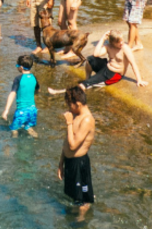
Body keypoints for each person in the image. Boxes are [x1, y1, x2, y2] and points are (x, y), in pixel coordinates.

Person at [49, 30, 147, 93]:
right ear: (112, 42)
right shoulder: (108, 46)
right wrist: (102, 38)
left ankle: (60, 91)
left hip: (114, 74)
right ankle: (88, 78)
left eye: (121, 40)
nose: (121, 43)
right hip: (107, 67)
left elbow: (133, 64)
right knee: (90, 59)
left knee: (86, 84)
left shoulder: (125, 48)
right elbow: (96, 54)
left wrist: (139, 80)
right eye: (118, 42)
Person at [58, 85, 96, 220]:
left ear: (78, 104)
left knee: (82, 202)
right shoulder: (75, 114)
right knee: (73, 196)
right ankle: (81, 206)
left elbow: (73, 145)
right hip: (69, 163)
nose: (68, 109)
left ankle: (81, 220)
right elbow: (66, 141)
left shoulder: (87, 120)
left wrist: (69, 124)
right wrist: (61, 163)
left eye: (70, 105)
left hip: (79, 164)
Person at [2, 54, 39, 137]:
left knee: (14, 129)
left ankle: (10, 148)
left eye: (17, 65)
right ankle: (36, 137)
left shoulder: (18, 79)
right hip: (33, 110)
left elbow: (12, 94)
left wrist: (6, 110)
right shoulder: (34, 78)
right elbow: (37, 90)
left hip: (22, 111)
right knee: (28, 127)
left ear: (21, 67)